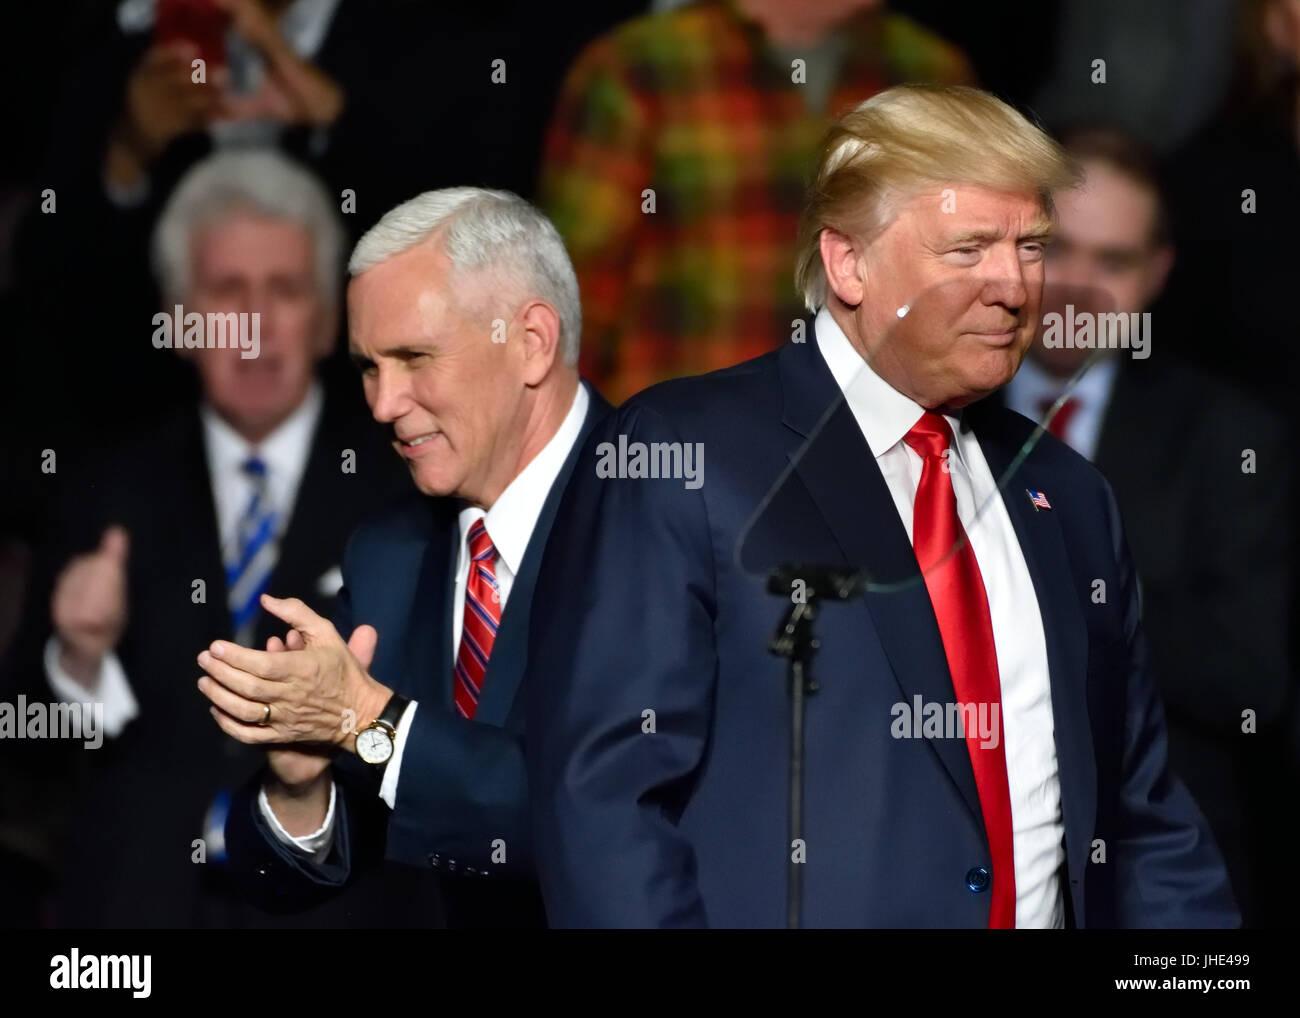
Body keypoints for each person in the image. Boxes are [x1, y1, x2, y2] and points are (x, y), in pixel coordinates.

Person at [526, 83, 1239, 928]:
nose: (1014, 286)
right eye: (969, 247)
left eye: (1031, 245)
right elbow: (605, 809)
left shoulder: (1070, 498)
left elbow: (1141, 816)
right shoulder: (683, 456)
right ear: (847, 263)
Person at [3, 149, 415, 926]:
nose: (254, 326)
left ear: (329, 320)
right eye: (227, 292)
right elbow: (23, 735)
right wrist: (78, 659)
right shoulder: (104, 486)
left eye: (284, 291)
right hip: (131, 921)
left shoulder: (404, 491)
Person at [199, 188, 611, 927]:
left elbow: (592, 812)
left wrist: (366, 719)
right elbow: (301, 872)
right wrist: (302, 785)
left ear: (532, 342)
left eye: (415, 358)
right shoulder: (389, 554)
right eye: (367, 367)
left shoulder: (661, 513)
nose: (385, 403)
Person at [1003, 125, 1294, 926]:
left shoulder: (1227, 436)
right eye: (1053, 248)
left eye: (1113, 261)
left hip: (1155, 870)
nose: (1076, 287)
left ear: (1156, 274)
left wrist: (1058, 582)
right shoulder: (936, 411)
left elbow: (1253, 678)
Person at [540, 0, 974, 403]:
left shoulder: (931, 72)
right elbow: (576, 296)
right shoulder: (640, 67)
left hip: (887, 443)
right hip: (689, 447)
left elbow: (968, 266)